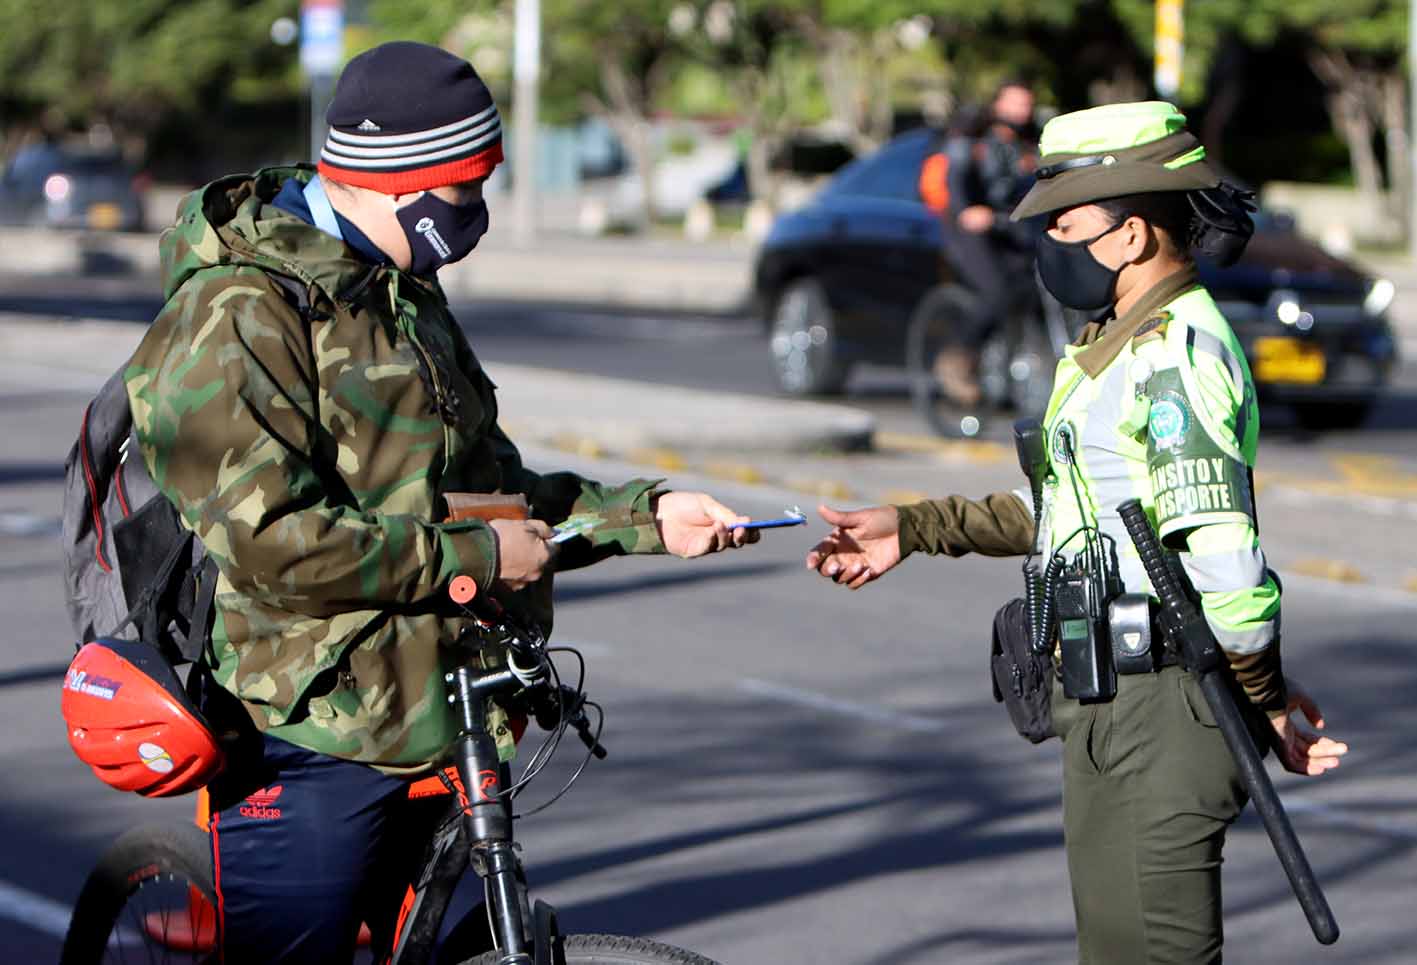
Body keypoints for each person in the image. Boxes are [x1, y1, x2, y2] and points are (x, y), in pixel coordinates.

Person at [123, 41, 760, 962]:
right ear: (391, 182)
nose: (477, 218)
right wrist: (474, 559)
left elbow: (488, 496)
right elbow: (272, 543)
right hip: (309, 736)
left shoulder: (401, 291)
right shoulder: (237, 314)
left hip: (445, 711)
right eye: (462, 194)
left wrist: (645, 518)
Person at [805, 101, 1348, 963]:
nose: (1049, 241)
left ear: (1131, 236)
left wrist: (1267, 695)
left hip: (1162, 712)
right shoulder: (1111, 344)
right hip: (1106, 702)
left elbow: (1225, 561)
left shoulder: (1173, 355)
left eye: (1066, 221)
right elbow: (1076, 507)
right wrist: (915, 526)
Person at [929, 80, 1041, 407]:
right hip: (969, 227)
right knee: (996, 292)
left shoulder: (1027, 144)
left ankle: (1007, 363)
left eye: (1026, 105)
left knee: (1028, 283)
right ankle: (956, 358)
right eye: (1014, 104)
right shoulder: (974, 137)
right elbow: (957, 175)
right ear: (997, 105)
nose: (1021, 112)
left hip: (1006, 225)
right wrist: (967, 209)